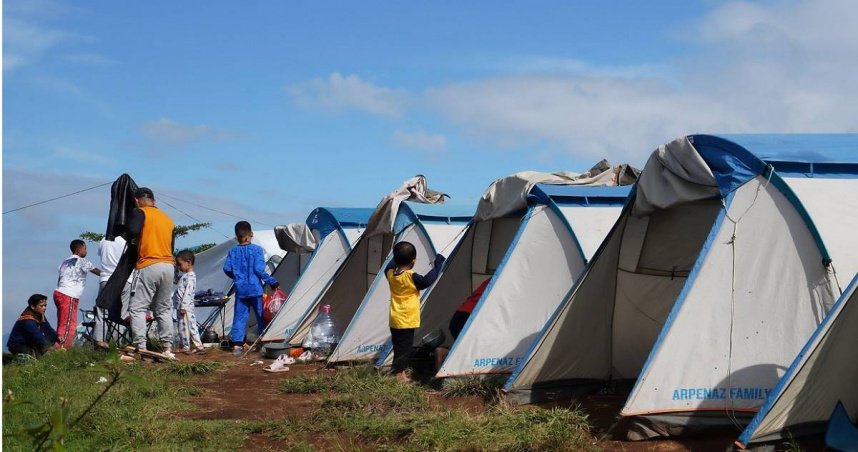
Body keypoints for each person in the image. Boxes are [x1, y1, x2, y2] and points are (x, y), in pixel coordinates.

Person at [126, 187, 176, 358]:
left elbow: (132, 232)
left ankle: (140, 346)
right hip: (168, 265)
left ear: (136, 201)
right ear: (154, 201)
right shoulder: (168, 219)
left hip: (148, 264)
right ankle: (167, 348)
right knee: (163, 308)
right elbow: (172, 245)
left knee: (137, 308)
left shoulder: (140, 212)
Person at [385, 241, 445, 382]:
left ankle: (397, 372)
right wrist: (438, 265)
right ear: (413, 262)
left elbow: (389, 267)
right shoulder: (410, 277)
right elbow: (426, 281)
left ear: (395, 260)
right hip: (406, 319)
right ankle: (400, 375)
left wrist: (395, 260)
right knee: (405, 349)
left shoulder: (391, 275)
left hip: (395, 318)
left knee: (398, 347)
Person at [223, 221, 279, 354]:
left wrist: (236, 276)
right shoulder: (257, 250)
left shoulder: (233, 251)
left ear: (236, 236)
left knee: (240, 316)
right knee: (261, 315)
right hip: (255, 288)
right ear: (251, 234)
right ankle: (264, 341)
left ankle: (237, 345)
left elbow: (226, 268)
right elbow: (259, 270)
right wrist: (272, 281)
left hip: (241, 290)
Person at [435, 277, 492, 370]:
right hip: (471, 317)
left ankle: (445, 354)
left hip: (459, 315)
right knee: (473, 349)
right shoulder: (504, 279)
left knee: (465, 348)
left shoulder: (493, 278)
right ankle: (445, 355)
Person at [54, 239, 102, 348]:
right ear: (79, 250)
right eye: (85, 248)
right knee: (69, 324)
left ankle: (59, 345)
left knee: (62, 322)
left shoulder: (64, 262)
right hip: (69, 295)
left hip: (59, 293)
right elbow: (98, 272)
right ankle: (62, 349)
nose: (87, 251)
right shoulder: (82, 261)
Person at [94, 235, 134, 346]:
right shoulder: (126, 241)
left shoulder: (103, 240)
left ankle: (99, 341)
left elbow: (101, 255)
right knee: (122, 313)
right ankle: (116, 343)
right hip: (125, 279)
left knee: (102, 312)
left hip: (106, 278)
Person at [173, 250, 205, 354]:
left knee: (184, 327)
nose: (178, 267)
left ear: (188, 262)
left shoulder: (190, 276)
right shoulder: (185, 276)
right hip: (183, 307)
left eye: (179, 264)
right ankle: (198, 346)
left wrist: (183, 306)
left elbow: (188, 292)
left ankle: (185, 346)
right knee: (190, 326)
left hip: (185, 308)